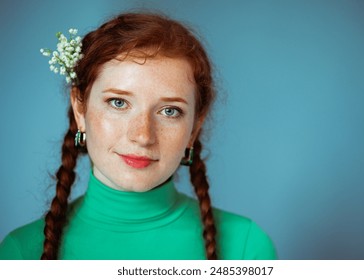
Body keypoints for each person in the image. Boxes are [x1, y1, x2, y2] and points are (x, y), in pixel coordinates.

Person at [0, 12, 276, 260]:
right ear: (80, 109)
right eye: (118, 103)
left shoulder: (246, 248)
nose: (143, 135)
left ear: (194, 127)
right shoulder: (20, 252)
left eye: (169, 111)